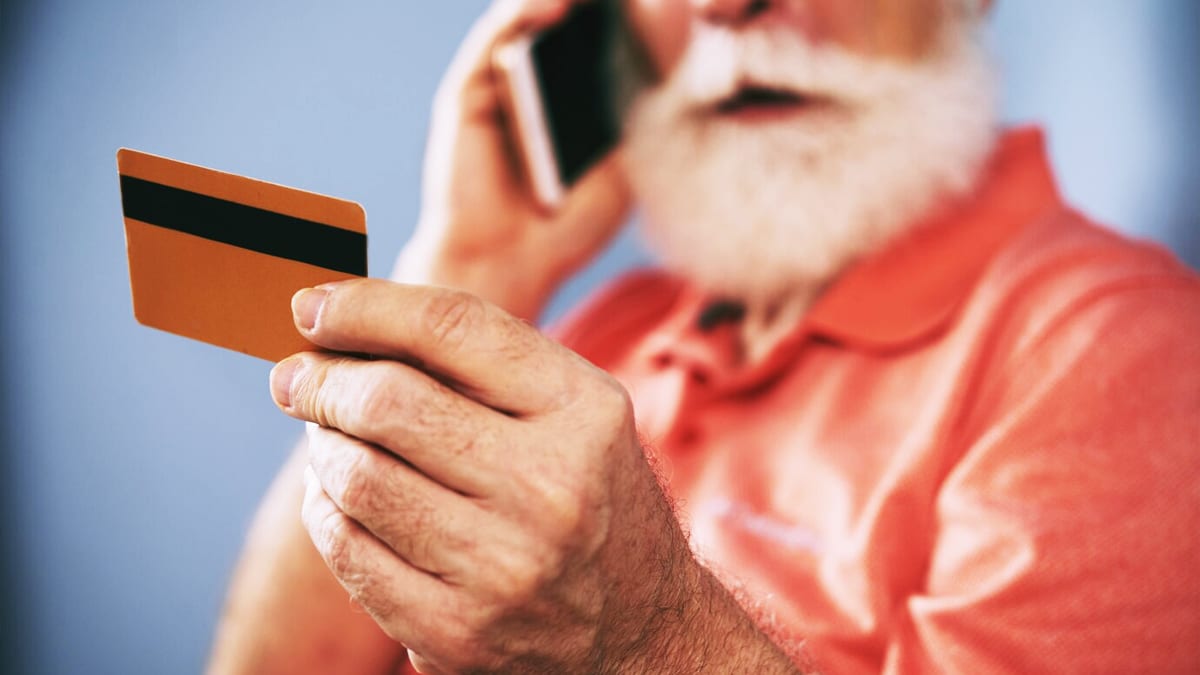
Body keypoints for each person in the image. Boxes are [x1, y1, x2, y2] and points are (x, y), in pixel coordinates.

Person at [206, 0, 1200, 673]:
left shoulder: (1129, 356)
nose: (729, 0)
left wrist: (647, 638)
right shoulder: (610, 327)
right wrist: (471, 265)